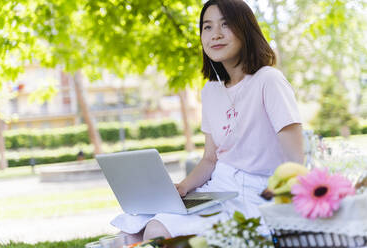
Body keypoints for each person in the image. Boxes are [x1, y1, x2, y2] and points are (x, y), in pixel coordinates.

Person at [111, 0, 304, 243]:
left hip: (257, 194)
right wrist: (181, 188)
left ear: (245, 30)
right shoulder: (210, 90)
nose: (216, 35)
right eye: (207, 27)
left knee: (157, 232)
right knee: (128, 234)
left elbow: (297, 163)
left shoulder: (269, 80)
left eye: (226, 25)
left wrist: (285, 202)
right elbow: (211, 158)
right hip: (217, 189)